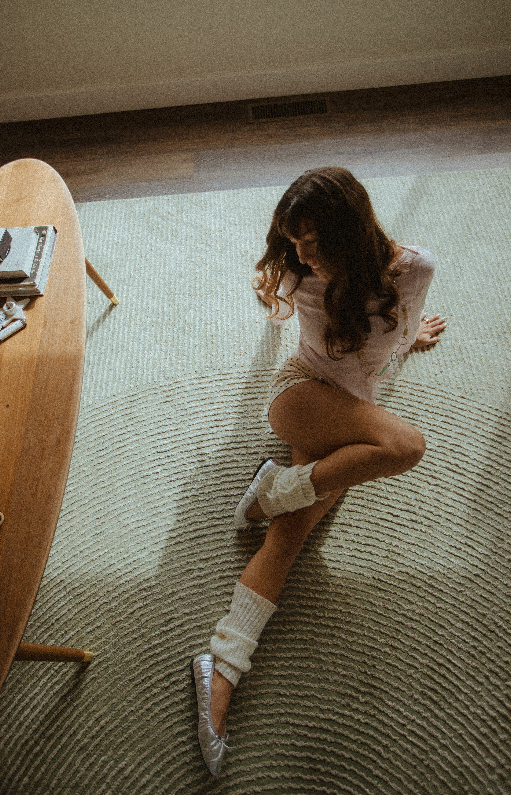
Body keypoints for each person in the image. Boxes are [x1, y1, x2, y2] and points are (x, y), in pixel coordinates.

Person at [191, 166, 446, 775]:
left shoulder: (415, 270)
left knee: (293, 531)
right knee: (408, 446)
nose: (304, 253)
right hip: (300, 396)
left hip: (352, 414)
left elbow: (389, 332)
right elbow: (277, 312)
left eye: (314, 240)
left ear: (351, 230)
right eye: (294, 241)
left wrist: (409, 340)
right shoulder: (300, 277)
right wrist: (276, 282)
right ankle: (273, 486)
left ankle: (220, 668)